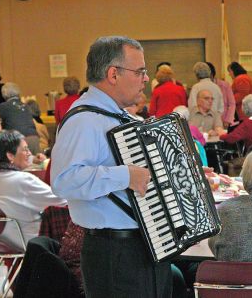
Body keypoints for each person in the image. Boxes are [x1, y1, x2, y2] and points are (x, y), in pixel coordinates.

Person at [51, 36, 172, 297]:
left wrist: (185, 174)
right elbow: (64, 180)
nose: (146, 79)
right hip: (114, 251)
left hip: (149, 243)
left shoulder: (125, 116)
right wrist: (124, 176)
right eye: (139, 71)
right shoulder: (84, 120)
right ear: (113, 74)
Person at [0, 130, 66, 250]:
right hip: (29, 242)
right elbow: (62, 200)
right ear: (10, 155)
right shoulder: (23, 180)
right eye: (25, 149)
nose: (29, 153)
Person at [0, 82, 41, 155]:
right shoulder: (26, 106)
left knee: (17, 165)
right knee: (36, 164)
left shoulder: (3, 106)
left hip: (17, 140)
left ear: (4, 94)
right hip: (34, 138)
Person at [206, 62, 236, 127]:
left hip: (223, 121)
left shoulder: (224, 85)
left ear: (211, 74)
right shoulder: (201, 87)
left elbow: (232, 104)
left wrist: (228, 120)